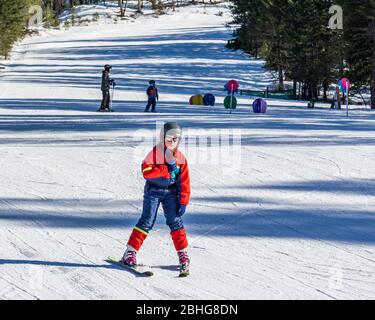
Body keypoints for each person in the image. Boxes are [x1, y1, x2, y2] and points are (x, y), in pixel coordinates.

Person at [121, 122, 191, 275]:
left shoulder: (180, 158)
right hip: (153, 191)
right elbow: (146, 171)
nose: (172, 142)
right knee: (147, 220)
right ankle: (129, 253)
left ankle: (183, 253)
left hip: (171, 193)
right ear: (162, 138)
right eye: (169, 138)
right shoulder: (155, 153)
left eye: (176, 139)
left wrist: (183, 200)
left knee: (175, 221)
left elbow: (184, 182)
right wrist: (166, 169)